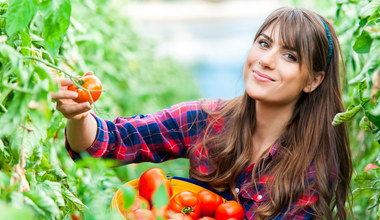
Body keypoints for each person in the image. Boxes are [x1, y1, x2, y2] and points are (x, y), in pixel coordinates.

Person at [51, 7, 352, 220]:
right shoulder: (206, 119)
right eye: (263, 43)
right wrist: (79, 115)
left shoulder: (312, 167)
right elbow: (110, 143)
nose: (266, 61)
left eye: (290, 56)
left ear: (314, 80)